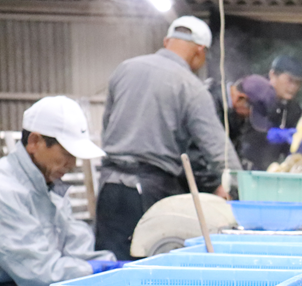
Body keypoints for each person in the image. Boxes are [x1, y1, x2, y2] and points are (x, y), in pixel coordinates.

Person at [96, 15, 241, 260]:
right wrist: (235, 184)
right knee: (148, 266)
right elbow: (218, 150)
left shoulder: (125, 68)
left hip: (109, 185)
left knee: (108, 263)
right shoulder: (191, 87)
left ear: (166, 41)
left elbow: (107, 124)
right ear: (200, 51)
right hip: (150, 193)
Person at [0, 96, 123, 286]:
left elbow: (75, 247)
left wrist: (110, 266)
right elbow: (38, 273)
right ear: (34, 142)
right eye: (67, 153)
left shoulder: (51, 188)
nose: (72, 164)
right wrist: (92, 270)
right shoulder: (5, 192)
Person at [209, 75, 277, 170]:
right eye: (250, 112)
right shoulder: (210, 106)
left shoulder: (235, 114)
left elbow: (234, 152)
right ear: (240, 98)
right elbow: (199, 154)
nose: (247, 117)